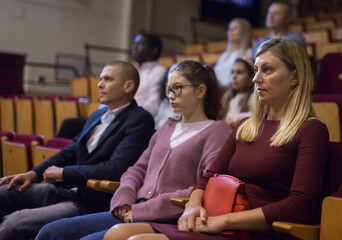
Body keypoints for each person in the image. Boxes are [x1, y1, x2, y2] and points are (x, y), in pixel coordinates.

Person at [101, 38, 330, 240]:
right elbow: (208, 178)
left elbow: (300, 205)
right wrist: (192, 206)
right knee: (116, 234)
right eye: (256, 70)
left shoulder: (311, 130)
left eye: (267, 70)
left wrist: (223, 221)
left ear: (295, 76)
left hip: (253, 230)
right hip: (217, 220)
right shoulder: (245, 127)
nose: (255, 79)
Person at [35, 60, 231, 240]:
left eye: (178, 88)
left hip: (168, 218)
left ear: (200, 91)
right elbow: (137, 169)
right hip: (134, 209)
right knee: (49, 232)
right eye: (168, 90)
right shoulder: (166, 127)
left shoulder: (216, 131)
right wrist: (125, 196)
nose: (171, 96)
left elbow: (207, 186)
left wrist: (147, 209)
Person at [0, 61, 155, 240]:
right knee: (3, 192)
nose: (99, 84)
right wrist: (34, 174)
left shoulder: (140, 119)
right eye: (100, 79)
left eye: (107, 79)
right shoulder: (98, 114)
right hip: (64, 189)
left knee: (15, 223)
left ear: (128, 86)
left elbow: (115, 169)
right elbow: (71, 151)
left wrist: (65, 173)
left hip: (89, 200)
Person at [132, 31, 168, 116]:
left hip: (138, 118)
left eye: (140, 44)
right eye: (134, 43)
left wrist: (126, 111)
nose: (134, 47)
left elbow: (153, 106)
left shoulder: (159, 71)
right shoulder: (131, 70)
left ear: (153, 50)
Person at [214, 18, 252, 88]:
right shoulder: (225, 55)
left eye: (235, 28)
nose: (230, 31)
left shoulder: (248, 53)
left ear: (244, 32)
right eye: (229, 28)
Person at [221, 57, 254, 129]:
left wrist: (235, 119)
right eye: (232, 72)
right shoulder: (228, 97)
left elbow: (256, 116)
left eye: (239, 72)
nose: (234, 76)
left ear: (251, 76)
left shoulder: (253, 97)